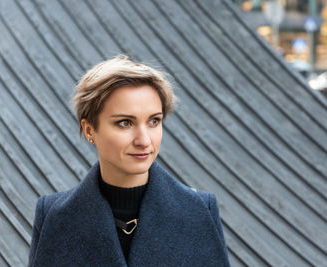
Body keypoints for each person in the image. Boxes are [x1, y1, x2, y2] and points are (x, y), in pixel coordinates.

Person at [28, 55, 230, 266]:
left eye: (154, 121)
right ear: (89, 130)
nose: (144, 140)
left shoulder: (199, 211)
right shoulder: (53, 216)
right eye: (125, 123)